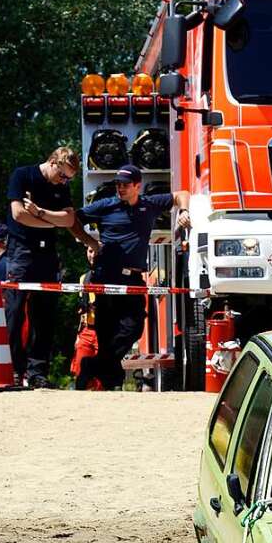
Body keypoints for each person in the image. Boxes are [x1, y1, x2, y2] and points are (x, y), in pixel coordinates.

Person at [72, 164, 189, 390]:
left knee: (134, 326)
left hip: (133, 278)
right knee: (106, 333)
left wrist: (184, 211)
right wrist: (90, 242)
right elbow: (73, 219)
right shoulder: (106, 206)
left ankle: (92, 368)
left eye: (125, 185)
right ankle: (108, 382)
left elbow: (182, 195)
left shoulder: (150, 204)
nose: (120, 188)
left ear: (138, 186)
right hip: (105, 276)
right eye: (118, 184)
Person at [4, 146, 94, 388]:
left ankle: (37, 373)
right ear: (53, 162)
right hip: (21, 252)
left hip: (47, 255)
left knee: (44, 317)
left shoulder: (61, 187)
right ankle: (14, 369)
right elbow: (19, 215)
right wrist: (50, 221)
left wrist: (41, 212)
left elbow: (67, 219)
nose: (63, 181)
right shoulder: (23, 175)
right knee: (14, 312)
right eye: (62, 175)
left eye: (68, 179)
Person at [70, 247, 103, 390]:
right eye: (90, 251)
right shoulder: (83, 278)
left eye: (96, 251)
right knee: (80, 374)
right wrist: (79, 335)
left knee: (102, 380)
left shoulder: (112, 276)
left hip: (105, 332)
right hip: (87, 331)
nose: (93, 255)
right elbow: (82, 309)